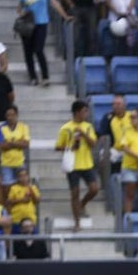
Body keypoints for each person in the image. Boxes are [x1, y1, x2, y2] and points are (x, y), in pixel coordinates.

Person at [55, 100, 98, 233]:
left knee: (94, 189)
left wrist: (83, 134)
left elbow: (93, 144)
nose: (86, 113)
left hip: (86, 163)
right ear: (77, 112)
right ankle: (77, 222)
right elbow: (57, 146)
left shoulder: (88, 127)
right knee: (75, 193)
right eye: (84, 111)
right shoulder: (66, 128)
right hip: (73, 164)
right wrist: (70, 146)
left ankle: (82, 204)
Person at [19, 0, 71, 88]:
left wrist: (65, 16)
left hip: (41, 23)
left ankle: (45, 76)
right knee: (28, 51)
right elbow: (20, 8)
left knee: (39, 49)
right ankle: (33, 77)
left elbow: (55, 3)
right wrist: (23, 11)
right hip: (28, 23)